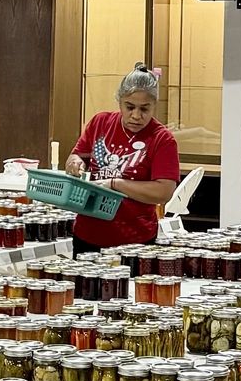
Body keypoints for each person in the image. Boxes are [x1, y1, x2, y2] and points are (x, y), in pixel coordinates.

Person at [63, 63, 180, 252]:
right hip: (88, 234)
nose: (136, 115)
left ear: (154, 106)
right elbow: (77, 156)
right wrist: (74, 163)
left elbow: (164, 192)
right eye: (130, 107)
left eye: (144, 109)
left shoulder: (162, 139)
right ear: (119, 102)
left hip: (135, 240)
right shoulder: (100, 122)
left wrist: (115, 184)